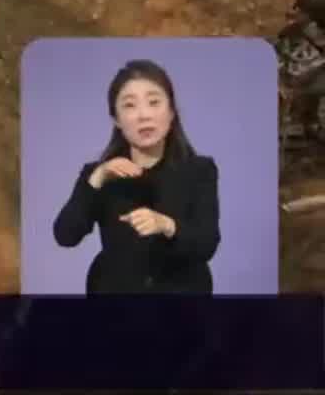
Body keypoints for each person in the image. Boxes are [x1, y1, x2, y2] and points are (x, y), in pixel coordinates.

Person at [51, 58, 220, 293]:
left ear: (171, 112)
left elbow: (207, 243)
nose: (143, 115)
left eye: (153, 102)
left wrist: (166, 225)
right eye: (130, 105)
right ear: (116, 120)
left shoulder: (199, 171)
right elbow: (65, 236)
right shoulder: (97, 174)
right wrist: (96, 180)